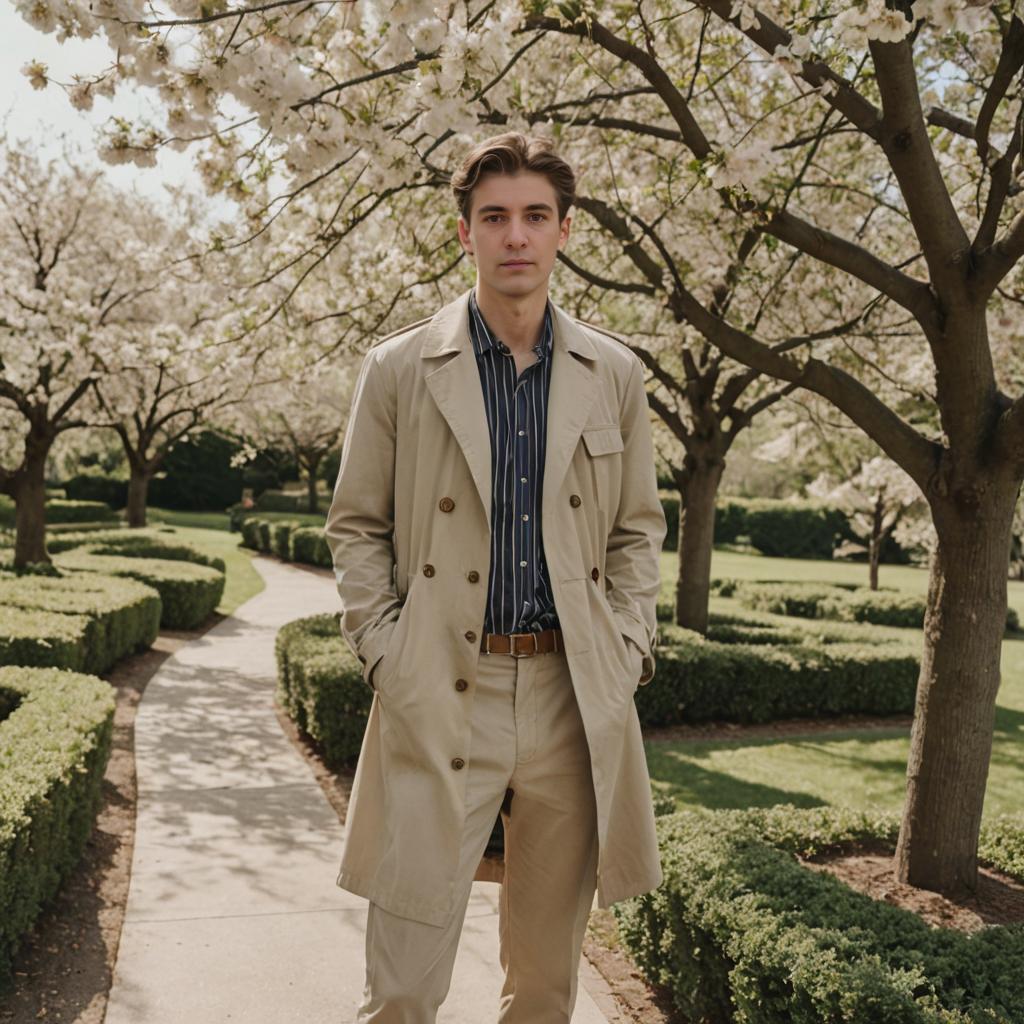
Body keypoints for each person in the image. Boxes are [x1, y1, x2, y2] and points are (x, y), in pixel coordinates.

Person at [324, 131, 667, 1023]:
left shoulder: (615, 373)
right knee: (400, 987)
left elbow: (636, 533)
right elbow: (356, 526)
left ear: (563, 231)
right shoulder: (400, 369)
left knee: (546, 989)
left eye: (535, 217)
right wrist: (385, 652)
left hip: (569, 693)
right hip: (437, 681)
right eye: (496, 217)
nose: (516, 236)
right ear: (467, 233)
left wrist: (626, 649)